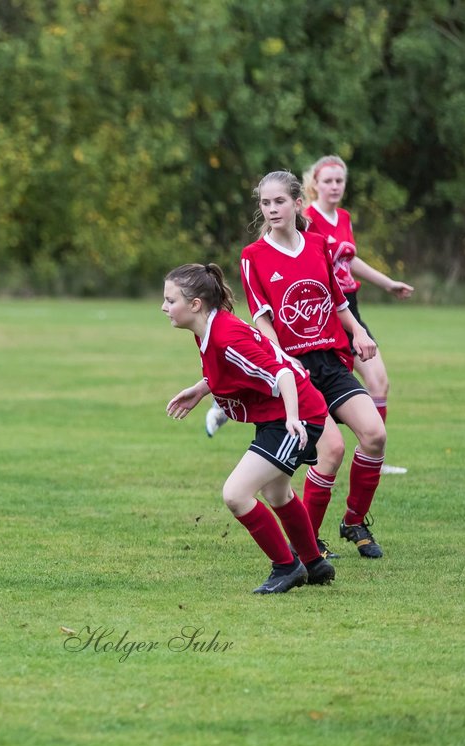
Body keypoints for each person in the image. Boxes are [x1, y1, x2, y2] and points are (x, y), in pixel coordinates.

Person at [239, 170, 387, 559]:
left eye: (279, 202)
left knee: (375, 434)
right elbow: (261, 318)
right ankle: (309, 544)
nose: (271, 209)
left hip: (331, 361)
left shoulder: (319, 244)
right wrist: (281, 359)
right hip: (296, 371)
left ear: (296, 204)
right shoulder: (253, 257)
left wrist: (359, 332)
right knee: (332, 450)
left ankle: (354, 520)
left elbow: (338, 301)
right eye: (265, 203)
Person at [163, 263, 335, 593]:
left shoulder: (224, 337)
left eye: (171, 301)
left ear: (195, 304)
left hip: (294, 415)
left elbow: (282, 372)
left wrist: (294, 419)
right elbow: (239, 370)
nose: (164, 307)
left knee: (236, 494)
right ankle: (314, 563)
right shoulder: (211, 330)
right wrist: (202, 389)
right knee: (276, 493)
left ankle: (287, 567)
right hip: (281, 414)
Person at [303, 154, 415, 475]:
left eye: (340, 180)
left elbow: (350, 259)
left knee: (379, 382)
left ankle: (372, 459)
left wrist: (387, 283)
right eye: (328, 180)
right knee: (320, 385)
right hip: (326, 313)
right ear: (315, 184)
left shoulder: (343, 217)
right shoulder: (308, 219)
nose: (335, 186)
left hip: (351, 307)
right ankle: (317, 445)